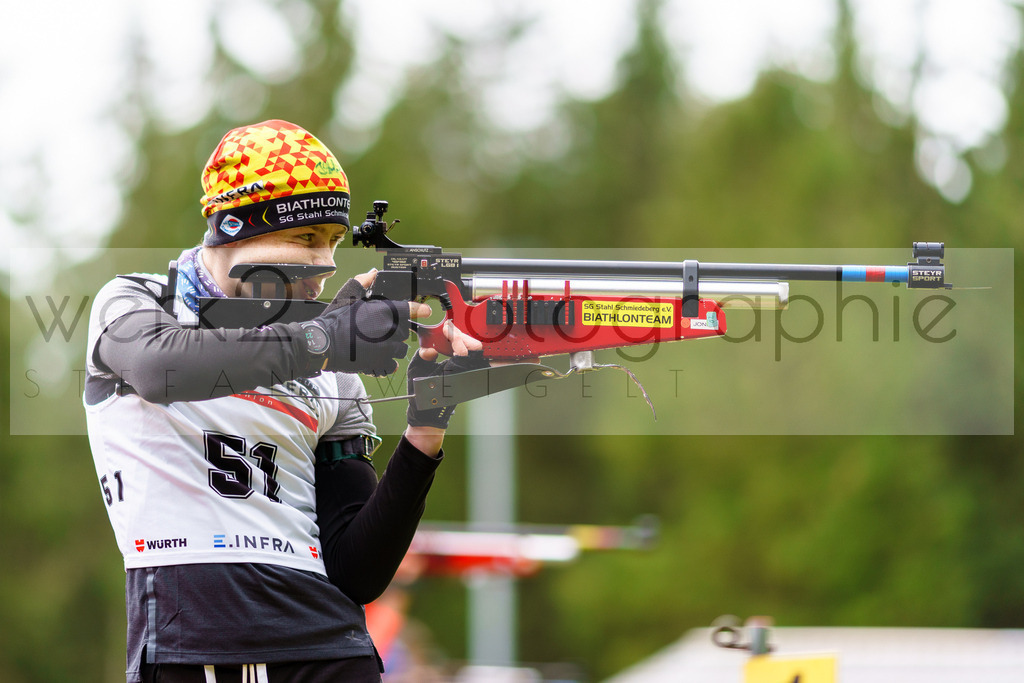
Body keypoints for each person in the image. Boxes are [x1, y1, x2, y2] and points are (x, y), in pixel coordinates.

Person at [83, 120, 486, 683]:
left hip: (330, 651)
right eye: (305, 239)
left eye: (334, 242)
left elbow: (357, 571)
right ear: (231, 231)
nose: (325, 266)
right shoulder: (139, 300)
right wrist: (328, 339)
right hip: (193, 647)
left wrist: (427, 425)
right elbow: (158, 368)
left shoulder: (334, 368)